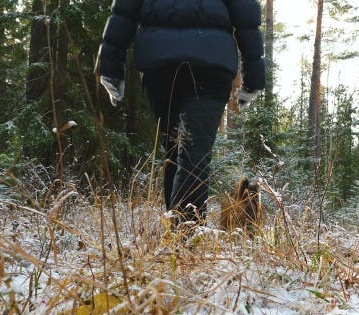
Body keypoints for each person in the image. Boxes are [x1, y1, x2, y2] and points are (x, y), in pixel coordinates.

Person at [96, 0, 265, 228]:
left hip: (161, 60)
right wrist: (254, 74)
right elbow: (246, 12)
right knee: (189, 151)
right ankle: (185, 238)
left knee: (179, 150)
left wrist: (111, 64)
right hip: (209, 62)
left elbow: (124, 9)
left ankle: (180, 235)